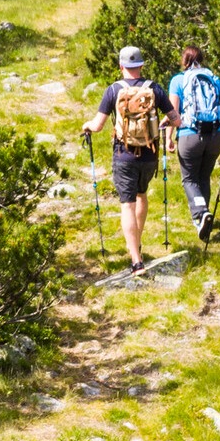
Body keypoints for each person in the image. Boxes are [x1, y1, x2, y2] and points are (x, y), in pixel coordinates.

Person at [82, 46, 175, 272]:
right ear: (141, 65)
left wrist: (87, 126)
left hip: (124, 155)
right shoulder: (154, 88)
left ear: (121, 66)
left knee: (127, 204)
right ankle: (138, 242)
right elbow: (176, 119)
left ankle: (136, 260)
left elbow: (98, 125)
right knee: (141, 195)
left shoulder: (113, 90)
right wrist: (164, 123)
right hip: (149, 155)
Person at [167, 46, 220, 242]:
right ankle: (204, 219)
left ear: (183, 61)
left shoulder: (178, 80)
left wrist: (168, 138)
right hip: (215, 134)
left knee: (189, 179)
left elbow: (173, 112)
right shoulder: (213, 78)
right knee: (204, 176)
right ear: (202, 59)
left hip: (189, 135)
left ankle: (201, 214)